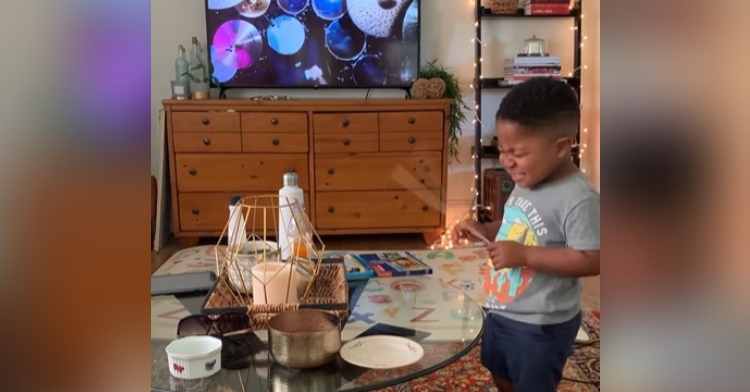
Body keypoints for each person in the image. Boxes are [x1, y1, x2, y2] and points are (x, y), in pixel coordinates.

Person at [452, 77, 600, 392]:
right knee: (501, 372)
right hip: (503, 307)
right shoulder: (529, 177)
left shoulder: (577, 197)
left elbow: (592, 258)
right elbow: (515, 226)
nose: (507, 161)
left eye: (517, 153)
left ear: (561, 147)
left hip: (541, 323)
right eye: (501, 149)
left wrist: (525, 256)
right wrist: (484, 229)